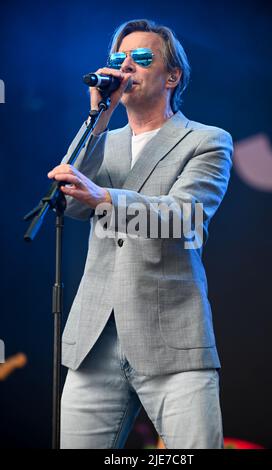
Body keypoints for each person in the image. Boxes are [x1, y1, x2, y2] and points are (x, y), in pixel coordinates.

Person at [47, 19, 233, 449]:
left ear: (172, 76)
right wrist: (99, 116)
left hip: (172, 338)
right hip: (95, 340)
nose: (126, 66)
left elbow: (184, 220)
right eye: (118, 59)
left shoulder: (206, 141)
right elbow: (71, 202)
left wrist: (105, 196)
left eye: (141, 58)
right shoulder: (103, 140)